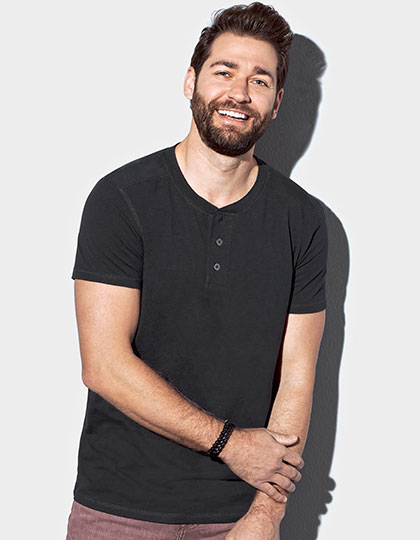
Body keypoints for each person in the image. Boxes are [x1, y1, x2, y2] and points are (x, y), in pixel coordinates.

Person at [65, 2, 328, 539]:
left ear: (277, 103)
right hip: (118, 510)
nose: (240, 92)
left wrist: (266, 514)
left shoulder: (301, 219)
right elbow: (104, 365)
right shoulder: (121, 199)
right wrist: (231, 445)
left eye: (260, 80)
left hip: (239, 516)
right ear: (191, 82)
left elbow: (297, 377)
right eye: (223, 72)